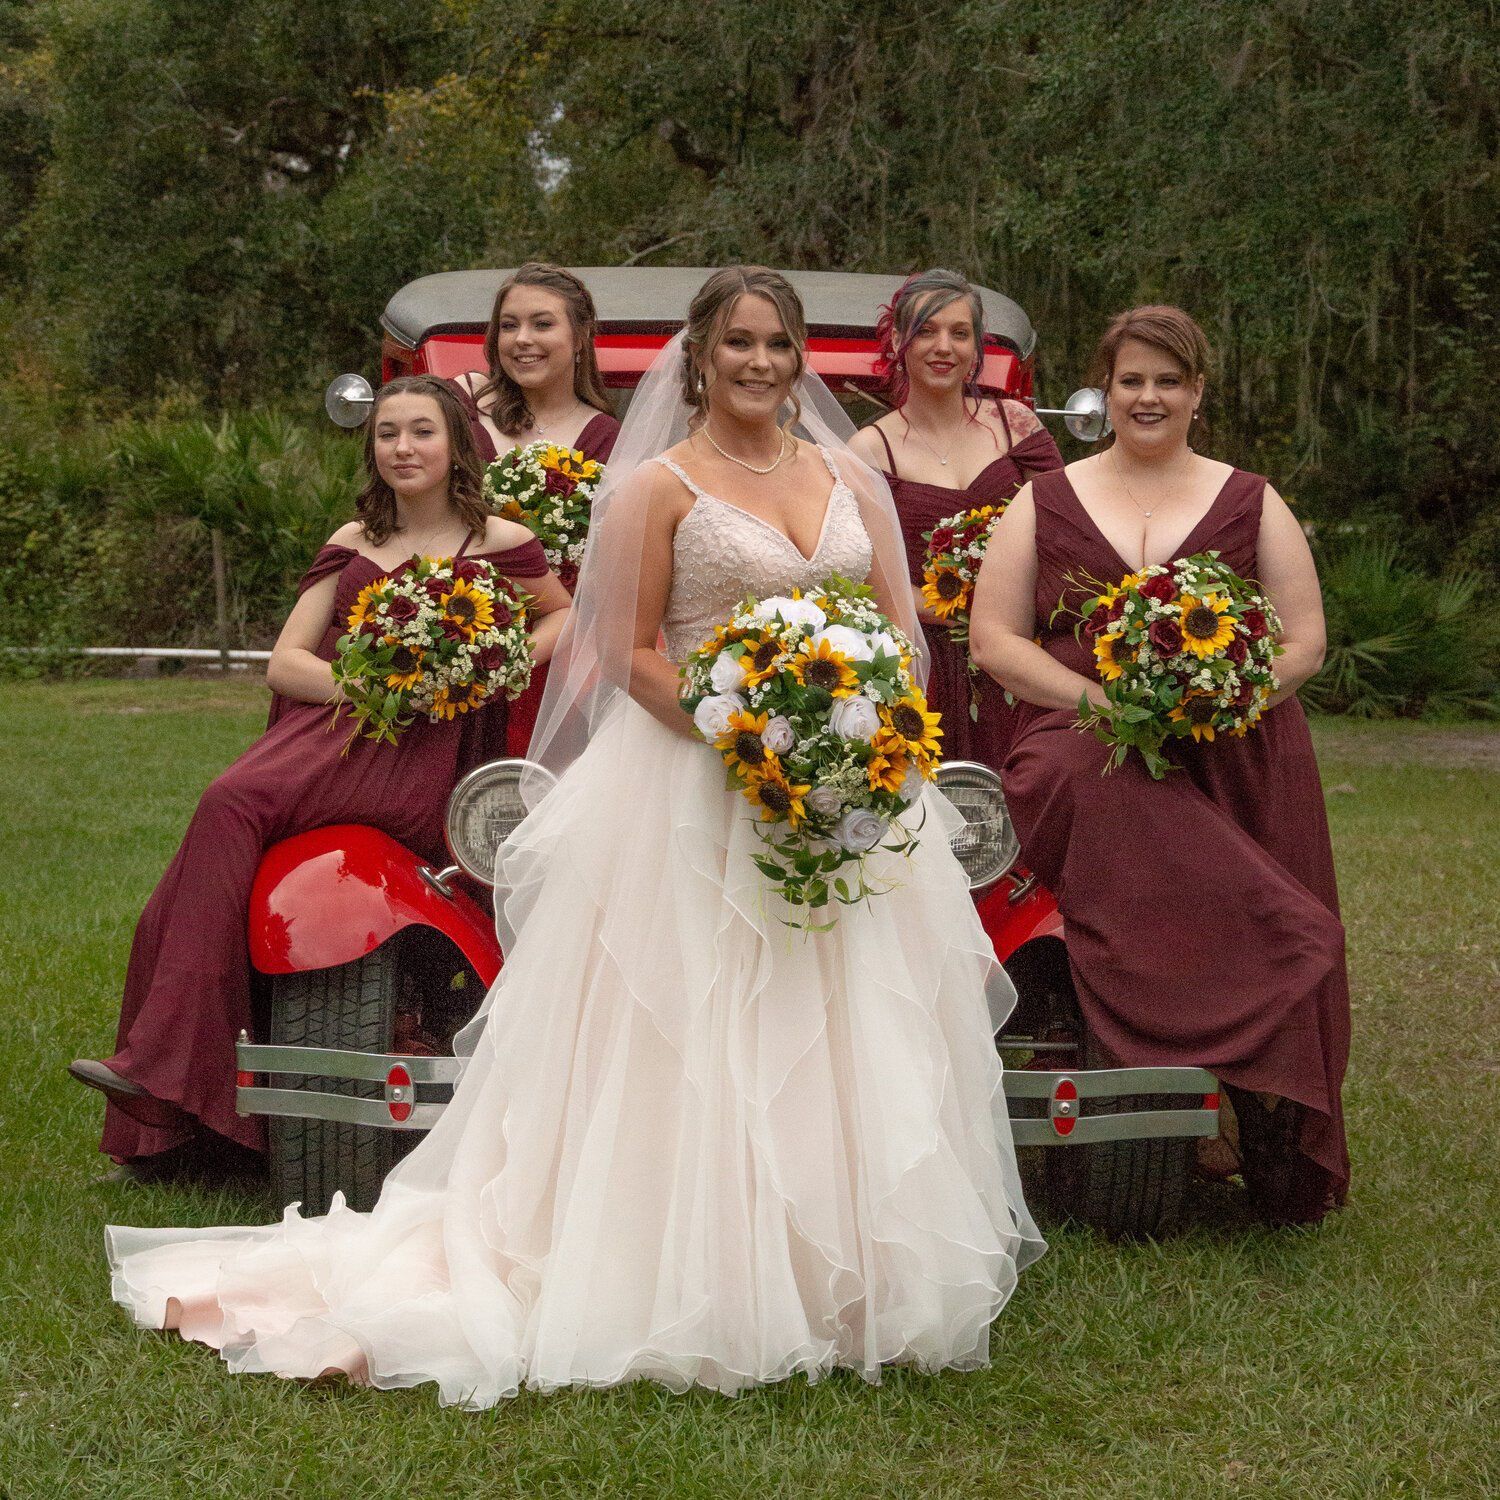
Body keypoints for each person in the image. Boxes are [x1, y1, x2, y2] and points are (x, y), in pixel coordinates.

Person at [104, 267, 1044, 1404]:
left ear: (800, 360)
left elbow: (900, 631)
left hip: (849, 788)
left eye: (778, 345)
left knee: (845, 1025)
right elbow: (632, 650)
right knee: (694, 1030)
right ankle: (677, 1260)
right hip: (696, 784)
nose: (759, 363)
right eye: (738, 343)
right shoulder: (656, 486)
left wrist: (857, 736)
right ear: (698, 359)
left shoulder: (850, 474)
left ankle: (843, 1265)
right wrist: (744, 729)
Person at [71, 376, 570, 1181]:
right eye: (386, 435)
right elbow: (287, 660)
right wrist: (371, 688)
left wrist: (494, 663)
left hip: (431, 756)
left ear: (457, 447)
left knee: (229, 805)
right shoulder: (354, 537)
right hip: (334, 733)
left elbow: (561, 613)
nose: (403, 448)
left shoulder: (500, 541)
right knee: (227, 805)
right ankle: (168, 1068)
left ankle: (165, 1067)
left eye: (421, 433)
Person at [969, 305, 1350, 1225]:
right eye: (1131, 380)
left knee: (1147, 799)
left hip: (1232, 744)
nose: (1148, 397)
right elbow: (993, 638)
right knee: (1082, 775)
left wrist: (1220, 703)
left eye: (1167, 381)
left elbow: (1303, 643)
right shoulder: (1046, 499)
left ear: (1197, 393)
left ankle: (1237, 1087)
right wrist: (1098, 702)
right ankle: (1269, 951)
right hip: (1082, 729)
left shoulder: (1250, 497)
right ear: (1106, 392)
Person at [849, 269, 1062, 769]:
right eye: (926, 330)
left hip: (1024, 652)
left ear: (975, 347)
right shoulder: (870, 451)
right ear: (899, 340)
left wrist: (1010, 619)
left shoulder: (1016, 426)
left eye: (959, 333)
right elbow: (866, 578)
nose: (943, 346)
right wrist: (965, 613)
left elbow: (1065, 536)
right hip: (928, 663)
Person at [450, 262, 622, 753]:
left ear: (581, 336)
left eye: (542, 324)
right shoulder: (461, 410)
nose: (522, 339)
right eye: (508, 326)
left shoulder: (611, 441)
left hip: (563, 646)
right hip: (456, 623)